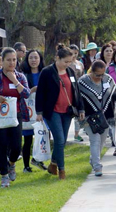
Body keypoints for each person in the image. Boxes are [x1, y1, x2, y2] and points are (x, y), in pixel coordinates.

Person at [0, 47, 31, 188]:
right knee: (2, 146)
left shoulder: (20, 77)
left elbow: (26, 94)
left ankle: (11, 164)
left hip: (16, 115)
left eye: (14, 60)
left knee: (16, 147)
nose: (11, 63)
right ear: (2, 61)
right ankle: (4, 176)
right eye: (8, 60)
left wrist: (14, 80)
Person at [35, 44, 85, 180]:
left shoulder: (70, 72)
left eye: (70, 62)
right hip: (52, 111)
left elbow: (77, 91)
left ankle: (53, 164)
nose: (67, 64)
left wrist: (80, 108)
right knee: (59, 139)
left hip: (67, 111)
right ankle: (61, 170)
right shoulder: (47, 72)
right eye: (65, 61)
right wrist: (39, 111)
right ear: (57, 58)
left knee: (61, 142)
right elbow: (40, 93)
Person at [78, 60, 116, 176]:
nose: (100, 77)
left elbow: (115, 92)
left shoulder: (107, 79)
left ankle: (93, 159)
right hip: (89, 117)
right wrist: (80, 111)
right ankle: (97, 166)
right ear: (91, 71)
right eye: (97, 74)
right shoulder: (82, 82)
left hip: (106, 117)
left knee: (102, 141)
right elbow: (78, 98)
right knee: (95, 140)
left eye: (102, 74)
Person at [20, 49, 47, 172]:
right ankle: (26, 166)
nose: (33, 60)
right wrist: (32, 90)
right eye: (31, 58)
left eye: (36, 57)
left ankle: (38, 159)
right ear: (27, 59)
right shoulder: (23, 75)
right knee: (28, 139)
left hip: (42, 110)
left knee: (41, 136)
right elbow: (21, 92)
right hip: (28, 110)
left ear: (40, 59)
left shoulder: (45, 73)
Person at [69, 44, 85, 142]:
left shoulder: (80, 64)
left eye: (76, 53)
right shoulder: (66, 64)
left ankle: (76, 133)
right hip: (69, 89)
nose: (74, 55)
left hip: (78, 89)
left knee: (78, 111)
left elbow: (83, 75)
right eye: (72, 53)